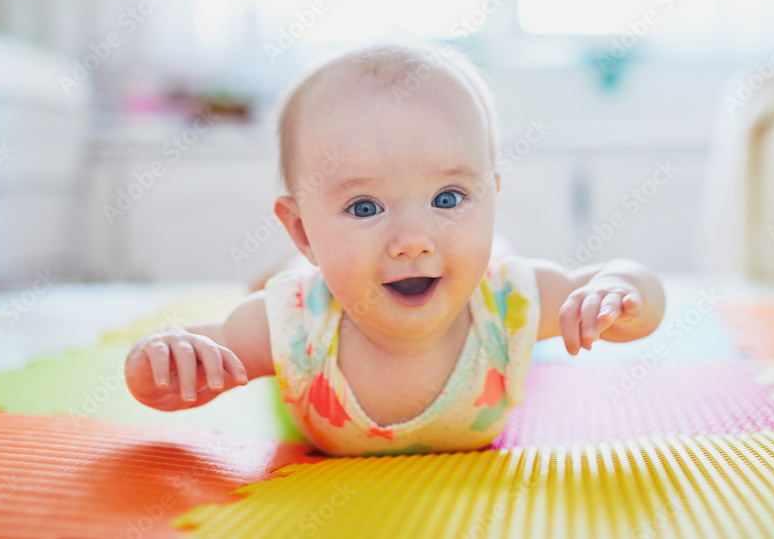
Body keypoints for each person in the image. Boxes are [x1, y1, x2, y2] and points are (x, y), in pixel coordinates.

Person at [124, 42, 666, 456]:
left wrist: (621, 292)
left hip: (479, 263)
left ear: (492, 195)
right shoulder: (293, 325)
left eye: (449, 197)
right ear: (305, 232)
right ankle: (292, 261)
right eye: (365, 208)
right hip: (321, 282)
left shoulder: (509, 301)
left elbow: (624, 297)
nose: (412, 240)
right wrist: (161, 364)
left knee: (489, 256)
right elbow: (188, 361)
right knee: (282, 282)